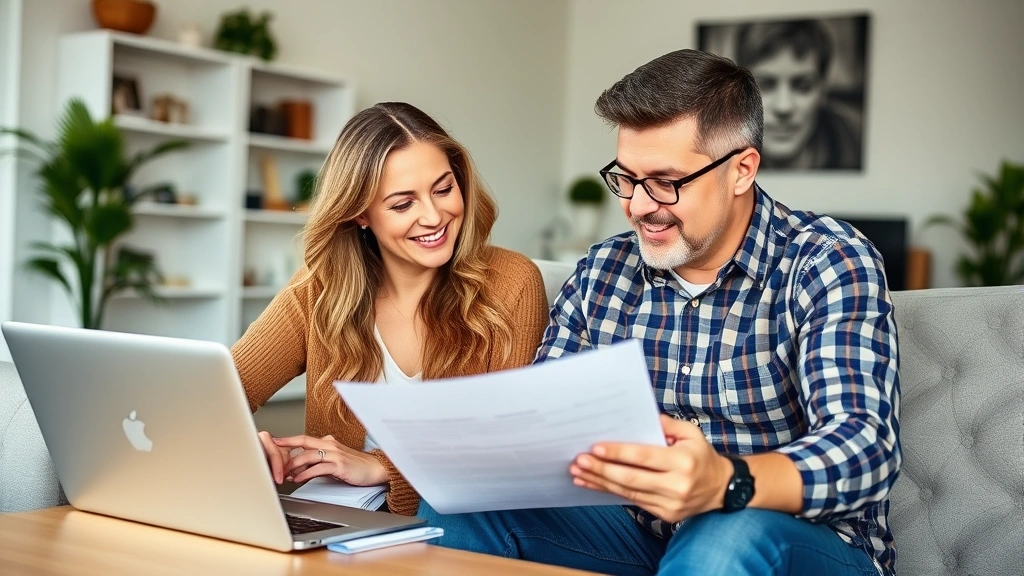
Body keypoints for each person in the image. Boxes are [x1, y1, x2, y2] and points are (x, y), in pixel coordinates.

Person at [418, 49, 900, 576]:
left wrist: (724, 481)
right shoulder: (604, 270)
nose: (639, 205)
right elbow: (545, 427)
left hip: (798, 541)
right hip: (640, 538)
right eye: (626, 178)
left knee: (727, 527)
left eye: (667, 181)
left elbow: (864, 447)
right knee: (460, 503)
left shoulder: (826, 260)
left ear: (741, 170)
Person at [231, 102, 549, 516]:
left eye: (444, 189)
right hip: (337, 519)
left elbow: (511, 445)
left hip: (460, 528)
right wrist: (238, 439)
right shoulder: (320, 288)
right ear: (361, 213)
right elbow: (222, 391)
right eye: (403, 204)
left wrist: (381, 467)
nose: (434, 216)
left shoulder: (512, 283)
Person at [735, 19, 863, 170]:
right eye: (763, 86)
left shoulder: (856, 140)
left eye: (803, 86)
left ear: (823, 91)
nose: (784, 107)